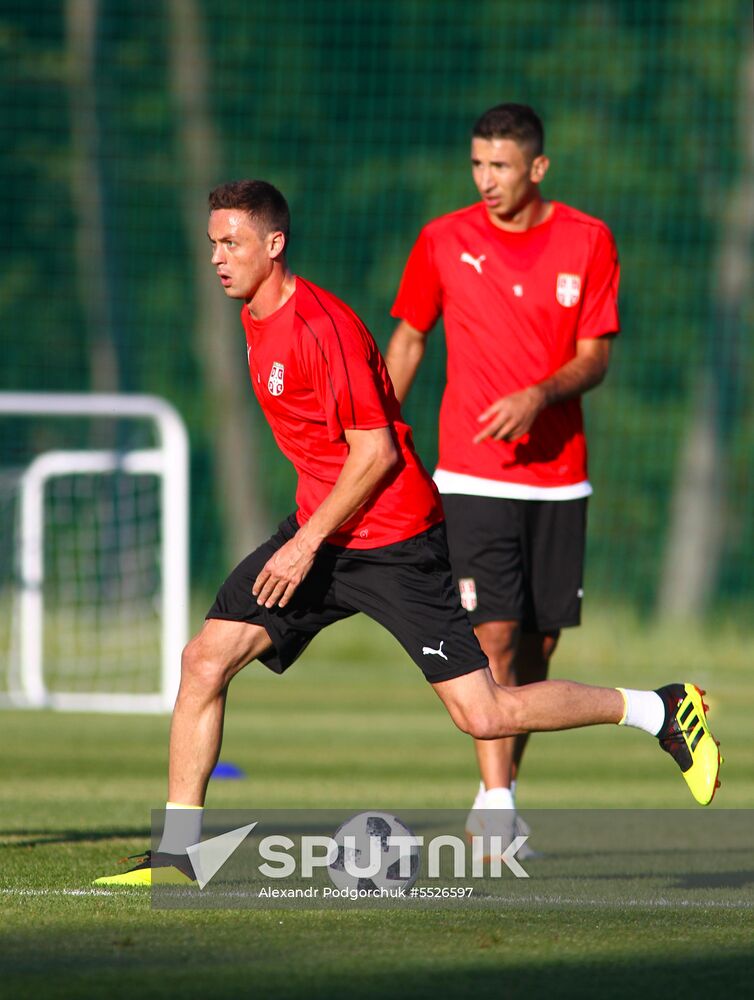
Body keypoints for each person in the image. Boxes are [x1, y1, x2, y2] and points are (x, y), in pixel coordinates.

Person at [95, 179, 720, 886]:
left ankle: (660, 708)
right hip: (324, 530)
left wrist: (302, 547)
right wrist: (307, 538)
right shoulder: (256, 314)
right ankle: (179, 854)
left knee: (486, 715)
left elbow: (377, 453)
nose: (219, 257)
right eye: (213, 243)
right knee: (204, 661)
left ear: (275, 245)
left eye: (232, 242)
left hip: (392, 540)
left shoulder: (317, 329)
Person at [386, 103, 617, 838]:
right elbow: (410, 340)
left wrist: (540, 393)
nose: (486, 180)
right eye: (478, 164)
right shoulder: (442, 239)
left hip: (559, 477)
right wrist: (378, 436)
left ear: (537, 168)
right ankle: (494, 809)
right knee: (493, 635)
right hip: (472, 471)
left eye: (501, 167)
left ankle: (503, 793)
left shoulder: (588, 239)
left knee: (541, 647)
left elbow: (596, 358)